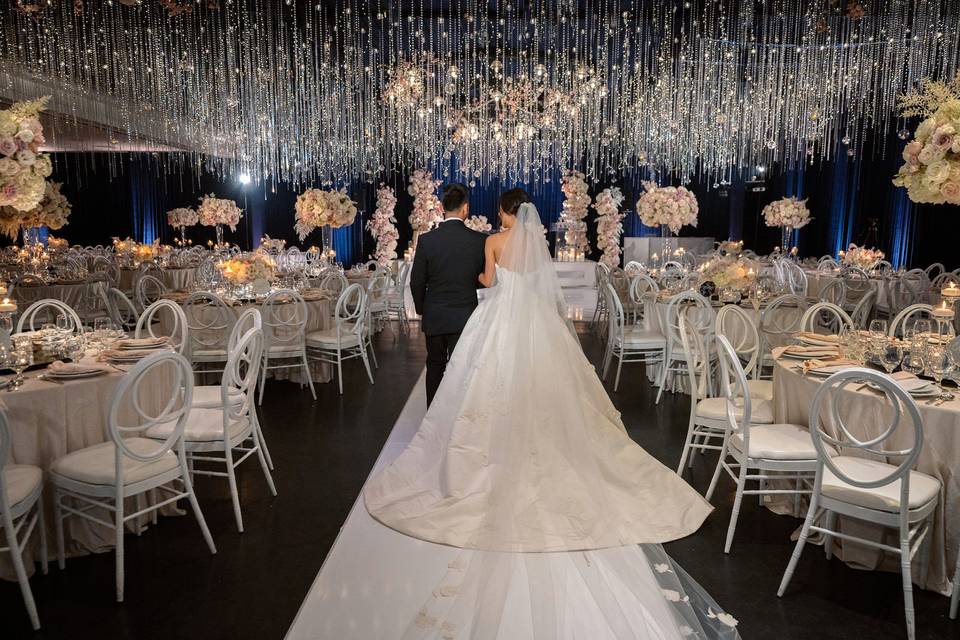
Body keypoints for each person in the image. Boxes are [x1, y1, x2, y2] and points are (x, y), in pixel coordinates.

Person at [365, 190, 738, 638]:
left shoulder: (495, 241)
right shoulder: (537, 242)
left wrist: (487, 280)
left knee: (485, 378)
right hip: (537, 321)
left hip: (500, 318)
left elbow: (487, 281)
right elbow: (542, 283)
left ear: (504, 210)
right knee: (548, 380)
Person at [409, 183, 487, 405]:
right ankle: (455, 415)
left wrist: (423, 309)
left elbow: (417, 281)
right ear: (466, 208)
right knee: (461, 368)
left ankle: (433, 413)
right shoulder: (479, 240)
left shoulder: (426, 240)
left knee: (435, 365)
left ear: (442, 207)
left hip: (435, 314)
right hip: (465, 314)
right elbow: (481, 279)